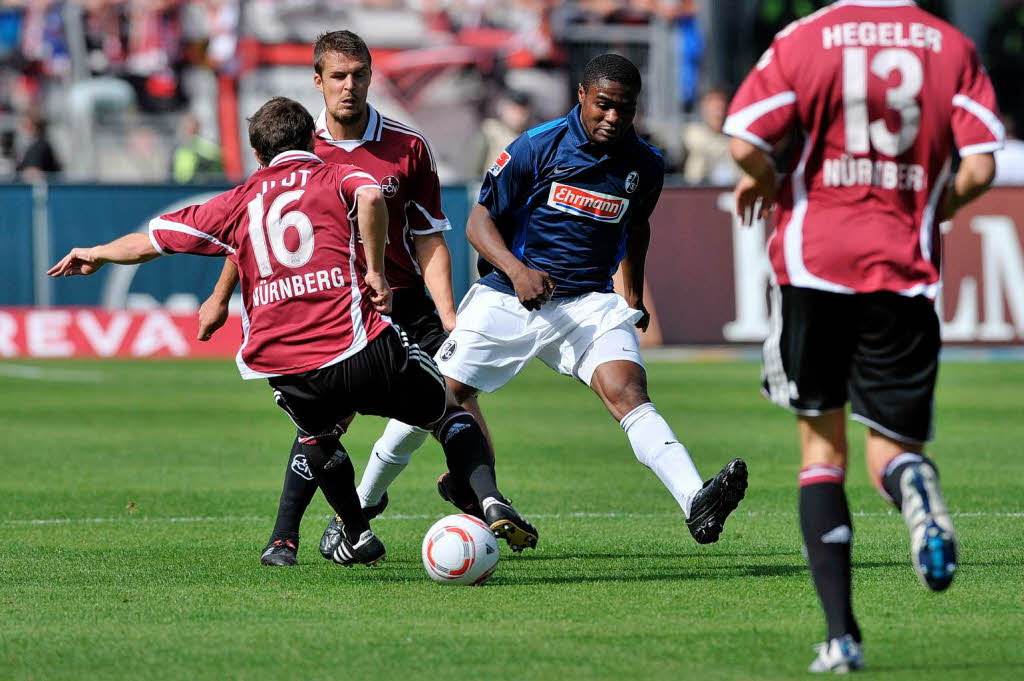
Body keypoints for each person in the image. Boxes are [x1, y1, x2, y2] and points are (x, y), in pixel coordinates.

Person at [47, 96, 537, 568]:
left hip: (281, 363)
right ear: (311, 138)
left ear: (258, 154)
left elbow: (153, 239)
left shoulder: (239, 199)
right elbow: (370, 196)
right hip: (355, 342)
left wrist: (96, 253)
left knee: (316, 434)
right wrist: (376, 273)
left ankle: (355, 531)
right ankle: (489, 499)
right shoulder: (336, 174)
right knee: (449, 411)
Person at [358, 53, 749, 546]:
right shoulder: (538, 146)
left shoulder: (644, 164)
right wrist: (517, 271)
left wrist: (631, 290)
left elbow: (636, 227)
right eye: (604, 105)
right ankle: (361, 506)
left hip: (588, 303)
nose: (613, 117)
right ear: (582, 95)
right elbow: (480, 223)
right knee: (433, 399)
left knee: (628, 391)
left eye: (624, 109)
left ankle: (696, 501)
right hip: (507, 299)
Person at [724, 1, 1003, 672]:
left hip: (815, 263)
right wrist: (933, 207)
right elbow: (983, 166)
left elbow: (744, 141)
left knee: (822, 451)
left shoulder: (806, 37)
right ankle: (915, 484)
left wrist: (759, 179)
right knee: (893, 450)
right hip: (903, 269)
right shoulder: (949, 45)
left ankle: (841, 638)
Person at [196, 30, 498, 567]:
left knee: (457, 398)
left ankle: (483, 511)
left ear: (371, 75)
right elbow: (252, 224)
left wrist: (448, 313)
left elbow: (429, 235)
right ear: (317, 81)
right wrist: (221, 297)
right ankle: (291, 534)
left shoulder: (408, 146)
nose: (350, 85)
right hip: (337, 304)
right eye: (338, 76)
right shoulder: (297, 147)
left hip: (403, 298)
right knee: (325, 418)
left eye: (359, 74)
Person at [681, 87, 738, 185]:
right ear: (704, 108)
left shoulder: (736, 137)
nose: (718, 112)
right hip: (698, 191)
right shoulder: (693, 133)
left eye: (721, 107)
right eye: (714, 107)